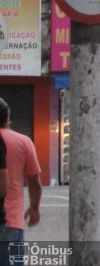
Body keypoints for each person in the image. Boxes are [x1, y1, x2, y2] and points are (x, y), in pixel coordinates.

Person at [0, 97, 42, 265]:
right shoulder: (24, 142)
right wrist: (34, 208)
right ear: (8, 119)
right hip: (11, 222)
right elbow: (34, 183)